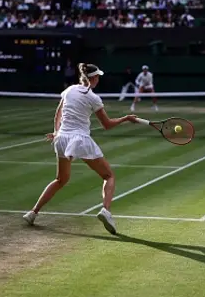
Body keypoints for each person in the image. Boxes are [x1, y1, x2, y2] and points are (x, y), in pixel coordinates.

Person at [23, 63, 138, 235]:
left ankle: (33, 213)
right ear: (94, 78)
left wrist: (56, 132)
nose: (99, 79)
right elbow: (107, 125)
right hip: (80, 140)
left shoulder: (69, 90)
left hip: (61, 139)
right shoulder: (93, 98)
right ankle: (106, 211)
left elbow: (58, 114)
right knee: (109, 176)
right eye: (97, 76)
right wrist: (126, 118)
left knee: (60, 180)